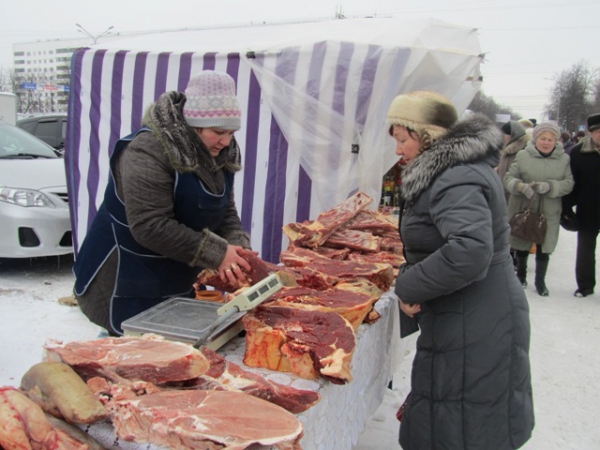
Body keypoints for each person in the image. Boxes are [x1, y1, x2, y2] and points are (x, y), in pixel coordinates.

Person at [388, 91, 534, 449]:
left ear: (426, 137)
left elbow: (469, 250)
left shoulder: (452, 176)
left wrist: (408, 284)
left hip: (476, 319)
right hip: (470, 313)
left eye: (402, 140)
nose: (397, 150)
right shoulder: (453, 170)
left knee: (461, 430)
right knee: (458, 425)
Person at [73, 71, 253, 336]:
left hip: (176, 271)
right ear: (194, 123)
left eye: (231, 132)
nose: (226, 141)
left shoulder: (219, 150)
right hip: (128, 273)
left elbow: (224, 209)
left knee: (170, 348)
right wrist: (218, 254)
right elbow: (150, 225)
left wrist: (238, 248)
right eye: (219, 132)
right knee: (128, 350)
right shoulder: (147, 149)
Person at [504, 122, 574, 296]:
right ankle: (520, 276)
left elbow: (569, 183)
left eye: (550, 139)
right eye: (543, 138)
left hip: (549, 209)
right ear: (536, 139)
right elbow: (508, 177)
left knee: (544, 245)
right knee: (522, 241)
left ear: (556, 141)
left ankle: (540, 282)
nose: (546, 142)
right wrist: (520, 186)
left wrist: (550, 187)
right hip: (524, 205)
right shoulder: (522, 155)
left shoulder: (563, 158)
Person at [562, 113, 600, 297]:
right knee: (585, 250)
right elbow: (571, 183)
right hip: (588, 209)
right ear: (590, 133)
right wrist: (567, 208)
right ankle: (585, 286)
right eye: (597, 131)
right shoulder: (578, 153)